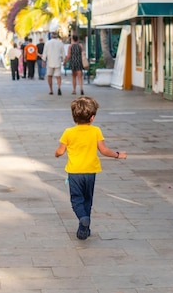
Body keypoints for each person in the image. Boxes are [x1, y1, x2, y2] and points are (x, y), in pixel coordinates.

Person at [54, 96, 127, 240]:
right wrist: (118, 155)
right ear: (92, 117)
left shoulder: (68, 132)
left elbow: (60, 151)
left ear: (74, 116)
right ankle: (84, 228)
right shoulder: (96, 131)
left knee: (76, 200)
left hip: (75, 172)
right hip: (91, 172)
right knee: (88, 199)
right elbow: (104, 150)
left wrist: (56, 154)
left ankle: (82, 218)